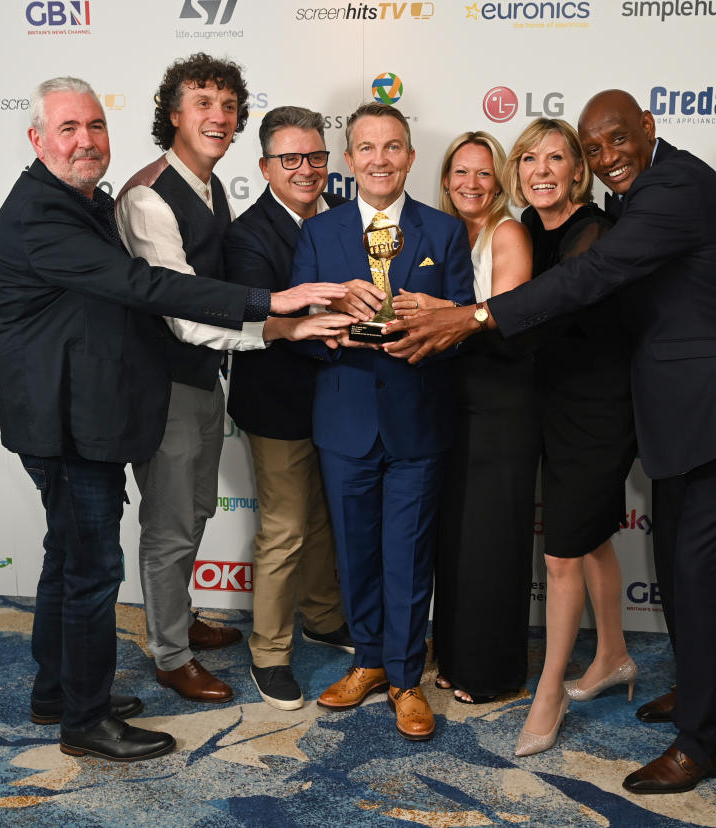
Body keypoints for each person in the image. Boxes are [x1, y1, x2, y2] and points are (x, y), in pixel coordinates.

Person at [385, 90, 716, 793]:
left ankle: (702, 741)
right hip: (682, 416)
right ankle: (701, 694)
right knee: (679, 571)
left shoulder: (675, 188)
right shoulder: (627, 202)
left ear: (647, 128)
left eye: (615, 141)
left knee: (700, 579)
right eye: (596, 146)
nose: (608, 157)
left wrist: (471, 317)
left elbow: (590, 279)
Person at [0, 76, 346, 762]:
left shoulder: (82, 198)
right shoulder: (43, 213)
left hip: (88, 410)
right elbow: (145, 287)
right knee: (91, 570)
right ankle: (86, 722)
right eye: (68, 129)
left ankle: (57, 691)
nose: (86, 140)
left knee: (68, 561)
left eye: (94, 126)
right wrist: (275, 307)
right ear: (36, 140)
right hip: (65, 420)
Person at [290, 102, 475, 741]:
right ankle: (367, 661)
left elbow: (462, 330)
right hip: (345, 420)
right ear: (349, 160)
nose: (379, 159)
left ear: (411, 157)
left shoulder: (444, 233)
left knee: (408, 554)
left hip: (419, 421)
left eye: (392, 147)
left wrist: (431, 322)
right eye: (366, 148)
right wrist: (339, 332)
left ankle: (404, 677)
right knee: (355, 552)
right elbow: (299, 332)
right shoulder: (319, 233)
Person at [114, 54, 259, 705]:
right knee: (170, 522)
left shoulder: (211, 185)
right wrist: (278, 328)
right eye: (203, 103)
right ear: (173, 114)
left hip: (203, 377)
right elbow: (186, 316)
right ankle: (170, 653)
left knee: (197, 506)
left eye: (228, 106)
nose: (218, 116)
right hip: (159, 381)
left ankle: (182, 616)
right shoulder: (149, 196)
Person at [500, 119, 638, 758]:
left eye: (556, 157)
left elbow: (545, 316)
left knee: (561, 556)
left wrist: (470, 321)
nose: (541, 170)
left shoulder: (595, 233)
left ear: (578, 169)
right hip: (548, 406)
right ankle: (612, 654)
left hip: (596, 413)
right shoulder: (526, 230)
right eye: (529, 158)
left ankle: (549, 692)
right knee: (588, 544)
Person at [391, 131, 536, 706]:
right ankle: (452, 657)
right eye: (460, 173)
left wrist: (440, 311)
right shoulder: (439, 232)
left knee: (491, 542)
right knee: (454, 540)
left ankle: (493, 670)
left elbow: (506, 317)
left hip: (500, 404)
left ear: (498, 180)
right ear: (445, 178)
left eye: (483, 173)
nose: (471, 184)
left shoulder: (509, 232)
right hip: (449, 401)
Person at [222, 105, 354, 711]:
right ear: (265, 166)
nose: (306, 170)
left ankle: (324, 617)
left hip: (338, 399)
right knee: (285, 530)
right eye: (291, 159)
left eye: (316, 157)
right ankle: (269, 653)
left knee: (324, 521)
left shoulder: (342, 220)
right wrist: (314, 320)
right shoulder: (249, 233)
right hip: (278, 403)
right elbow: (258, 316)